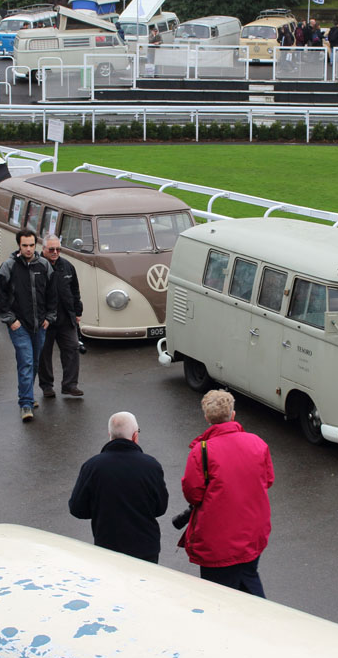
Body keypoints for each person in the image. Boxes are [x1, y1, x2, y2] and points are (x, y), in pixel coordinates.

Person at [180, 389, 274, 597]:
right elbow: (268, 480)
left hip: (217, 541)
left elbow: (193, 494)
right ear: (233, 414)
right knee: (249, 580)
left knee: (218, 595)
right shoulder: (257, 443)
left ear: (207, 418)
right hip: (251, 533)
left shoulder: (202, 451)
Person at [69, 411, 169, 563]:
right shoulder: (151, 466)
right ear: (135, 436)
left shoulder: (92, 467)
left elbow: (77, 509)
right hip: (145, 548)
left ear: (110, 435)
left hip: (107, 547)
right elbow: (160, 508)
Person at [0, 229, 55, 422]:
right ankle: (26, 403)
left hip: (40, 324)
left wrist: (49, 317)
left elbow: (52, 293)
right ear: (19, 246)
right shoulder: (9, 266)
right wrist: (11, 320)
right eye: (24, 245)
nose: (28, 249)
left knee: (34, 362)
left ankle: (27, 394)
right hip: (19, 325)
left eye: (31, 245)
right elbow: (0, 296)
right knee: (26, 361)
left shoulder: (44, 265)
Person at [39, 235, 83, 399]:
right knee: (44, 354)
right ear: (43, 249)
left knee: (72, 348)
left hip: (66, 317)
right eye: (51, 249)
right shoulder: (36, 266)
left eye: (58, 249)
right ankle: (47, 386)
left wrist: (77, 312)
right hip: (44, 320)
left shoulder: (67, 266)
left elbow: (75, 290)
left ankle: (70, 385)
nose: (55, 252)